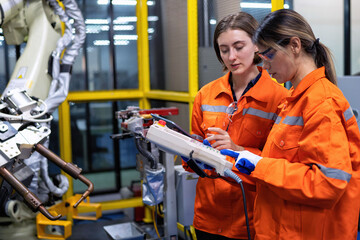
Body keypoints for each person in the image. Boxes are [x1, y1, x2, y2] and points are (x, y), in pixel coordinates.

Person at [221, 9, 360, 239]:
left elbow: (327, 183)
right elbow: (289, 162)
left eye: (269, 55)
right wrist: (244, 154)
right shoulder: (296, 99)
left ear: (295, 45)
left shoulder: (321, 102)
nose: (264, 67)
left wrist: (260, 166)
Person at [182, 12, 288, 240]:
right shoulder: (206, 95)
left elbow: (280, 165)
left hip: (251, 219)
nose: (232, 57)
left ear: (257, 45)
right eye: (224, 49)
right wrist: (188, 151)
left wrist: (236, 149)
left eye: (239, 47)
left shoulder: (280, 98)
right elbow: (191, 157)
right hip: (208, 218)